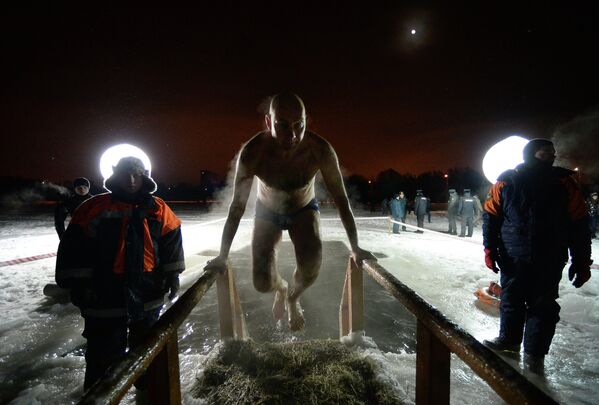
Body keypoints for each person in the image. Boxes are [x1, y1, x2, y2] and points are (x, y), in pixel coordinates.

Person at [204, 92, 374, 331]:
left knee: (311, 268)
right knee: (261, 283)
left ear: (306, 121)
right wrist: (223, 254)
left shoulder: (320, 150)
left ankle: (294, 297)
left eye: (299, 126)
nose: (292, 135)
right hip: (267, 212)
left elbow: (342, 200)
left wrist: (355, 247)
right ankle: (282, 288)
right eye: (282, 126)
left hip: (303, 210)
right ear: (267, 123)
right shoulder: (254, 152)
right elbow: (237, 207)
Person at [55, 156, 185, 390]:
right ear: (115, 175)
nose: (131, 179)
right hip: (104, 295)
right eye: (126, 173)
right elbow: (74, 247)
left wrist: (172, 275)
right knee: (103, 357)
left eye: (136, 173)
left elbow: (171, 243)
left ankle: (146, 393)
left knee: (146, 353)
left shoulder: (158, 208)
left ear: (144, 175)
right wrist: (79, 284)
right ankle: (99, 395)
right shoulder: (94, 207)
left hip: (148, 293)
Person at [482, 138, 592, 373]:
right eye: (544, 153)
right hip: (513, 255)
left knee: (543, 306)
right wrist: (489, 248)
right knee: (511, 300)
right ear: (530, 154)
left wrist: (581, 260)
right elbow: (491, 216)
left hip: (550, 256)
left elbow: (579, 223)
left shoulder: (564, 182)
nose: (550, 156)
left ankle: (535, 354)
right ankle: (509, 341)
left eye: (552, 152)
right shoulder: (507, 180)